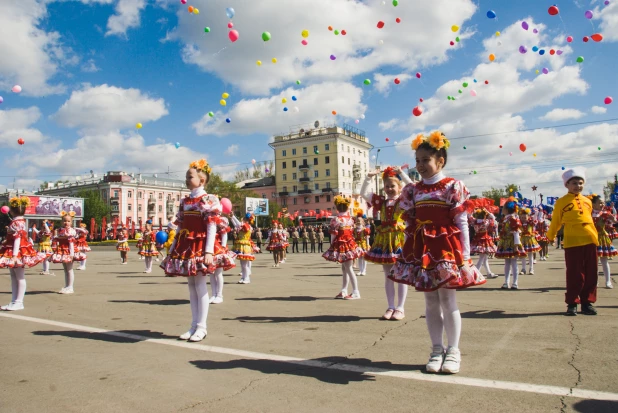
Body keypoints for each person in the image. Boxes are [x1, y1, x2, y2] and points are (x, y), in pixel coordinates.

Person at [389, 131, 485, 374]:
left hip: (446, 248)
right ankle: (436, 349)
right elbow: (409, 221)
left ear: (440, 161)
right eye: (417, 160)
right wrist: (408, 252)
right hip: (423, 249)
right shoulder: (412, 191)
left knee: (448, 299)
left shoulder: (453, 186)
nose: (420, 165)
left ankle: (453, 350)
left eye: (425, 160)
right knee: (430, 300)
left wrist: (465, 255)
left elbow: (462, 222)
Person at [160, 159, 220, 342]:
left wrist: (209, 251)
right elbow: (179, 226)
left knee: (200, 285)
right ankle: (193, 325)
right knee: (191, 286)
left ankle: (202, 327)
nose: (186, 179)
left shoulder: (209, 200)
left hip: (200, 245)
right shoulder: (185, 201)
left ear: (201, 180)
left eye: (190, 176)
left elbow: (211, 227)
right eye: (186, 176)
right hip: (186, 245)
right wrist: (172, 248)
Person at [361, 165, 412, 321]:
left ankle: (400, 308)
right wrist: (369, 177)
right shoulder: (381, 202)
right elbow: (364, 193)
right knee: (388, 275)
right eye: (387, 186)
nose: (389, 188)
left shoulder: (404, 200)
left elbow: (412, 188)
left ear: (399, 187)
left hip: (400, 240)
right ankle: (390, 306)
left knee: (401, 275)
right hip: (385, 241)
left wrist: (401, 173)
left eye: (393, 186)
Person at [547, 168, 599, 316]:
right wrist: (551, 236)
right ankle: (572, 303)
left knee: (591, 273)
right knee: (575, 274)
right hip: (572, 241)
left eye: (580, 183)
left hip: (590, 239)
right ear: (567, 185)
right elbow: (556, 221)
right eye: (574, 183)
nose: (578, 186)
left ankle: (587, 303)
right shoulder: (561, 202)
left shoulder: (587, 201)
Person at [0, 196, 45, 311]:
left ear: (12, 210)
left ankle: (19, 302)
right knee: (14, 277)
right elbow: (14, 238)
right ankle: (14, 301)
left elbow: (17, 239)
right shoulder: (19, 221)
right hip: (15, 251)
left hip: (17, 252)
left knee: (19, 277)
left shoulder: (17, 222)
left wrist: (14, 255)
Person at [322, 196, 364, 299]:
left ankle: (355, 291)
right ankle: (344, 290)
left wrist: (332, 246)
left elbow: (333, 234)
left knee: (348, 268)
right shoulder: (350, 219)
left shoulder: (336, 219)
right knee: (345, 268)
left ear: (337, 207)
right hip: (350, 245)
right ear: (347, 207)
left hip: (342, 245)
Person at [51, 211, 86, 294]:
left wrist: (71, 255)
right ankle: (67, 286)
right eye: (64, 221)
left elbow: (71, 243)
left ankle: (70, 287)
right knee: (65, 270)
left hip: (69, 251)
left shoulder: (71, 231)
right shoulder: (60, 230)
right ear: (61, 221)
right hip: (62, 250)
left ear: (71, 222)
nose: (66, 223)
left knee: (69, 269)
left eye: (68, 221)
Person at [495, 198, 526, 289]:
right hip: (506, 242)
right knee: (507, 262)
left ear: (507, 209)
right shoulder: (506, 219)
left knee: (513, 262)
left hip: (512, 243)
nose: (502, 209)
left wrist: (516, 246)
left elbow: (516, 232)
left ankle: (515, 283)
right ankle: (506, 282)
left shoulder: (513, 219)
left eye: (503, 208)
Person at [590, 195, 616, 289]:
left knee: (604, 261)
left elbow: (613, 220)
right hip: (592, 238)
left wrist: (612, 218)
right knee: (594, 262)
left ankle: (608, 281)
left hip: (602, 238)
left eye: (603, 202)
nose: (602, 204)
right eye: (600, 202)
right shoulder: (589, 213)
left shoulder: (605, 213)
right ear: (593, 204)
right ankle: (595, 281)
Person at [210, 214, 236, 300]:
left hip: (219, 250)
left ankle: (219, 295)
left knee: (218, 273)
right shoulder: (210, 220)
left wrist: (223, 249)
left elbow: (224, 236)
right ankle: (213, 294)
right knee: (211, 273)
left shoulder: (222, 221)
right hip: (211, 250)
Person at [470, 208, 497, 278]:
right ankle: (476, 274)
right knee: (482, 258)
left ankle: (489, 273)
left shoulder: (474, 222)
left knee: (485, 258)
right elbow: (493, 218)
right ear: (484, 215)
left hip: (477, 240)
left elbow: (469, 217)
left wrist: (472, 211)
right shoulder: (486, 222)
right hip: (484, 240)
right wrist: (488, 212)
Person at [231, 213, 257, 285]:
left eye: (244, 219)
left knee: (245, 264)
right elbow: (236, 225)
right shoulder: (243, 226)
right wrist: (232, 218)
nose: (242, 219)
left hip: (245, 246)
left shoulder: (248, 226)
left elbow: (239, 224)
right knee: (242, 264)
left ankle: (247, 278)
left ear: (247, 220)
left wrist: (233, 216)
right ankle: (243, 277)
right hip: (241, 245)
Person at [519, 208, 541, 275]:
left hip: (529, 240)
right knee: (522, 255)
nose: (523, 219)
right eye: (522, 217)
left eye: (525, 217)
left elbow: (535, 218)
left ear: (528, 217)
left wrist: (537, 213)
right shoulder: (519, 223)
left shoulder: (531, 223)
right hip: (522, 241)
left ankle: (531, 268)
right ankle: (523, 269)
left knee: (530, 255)